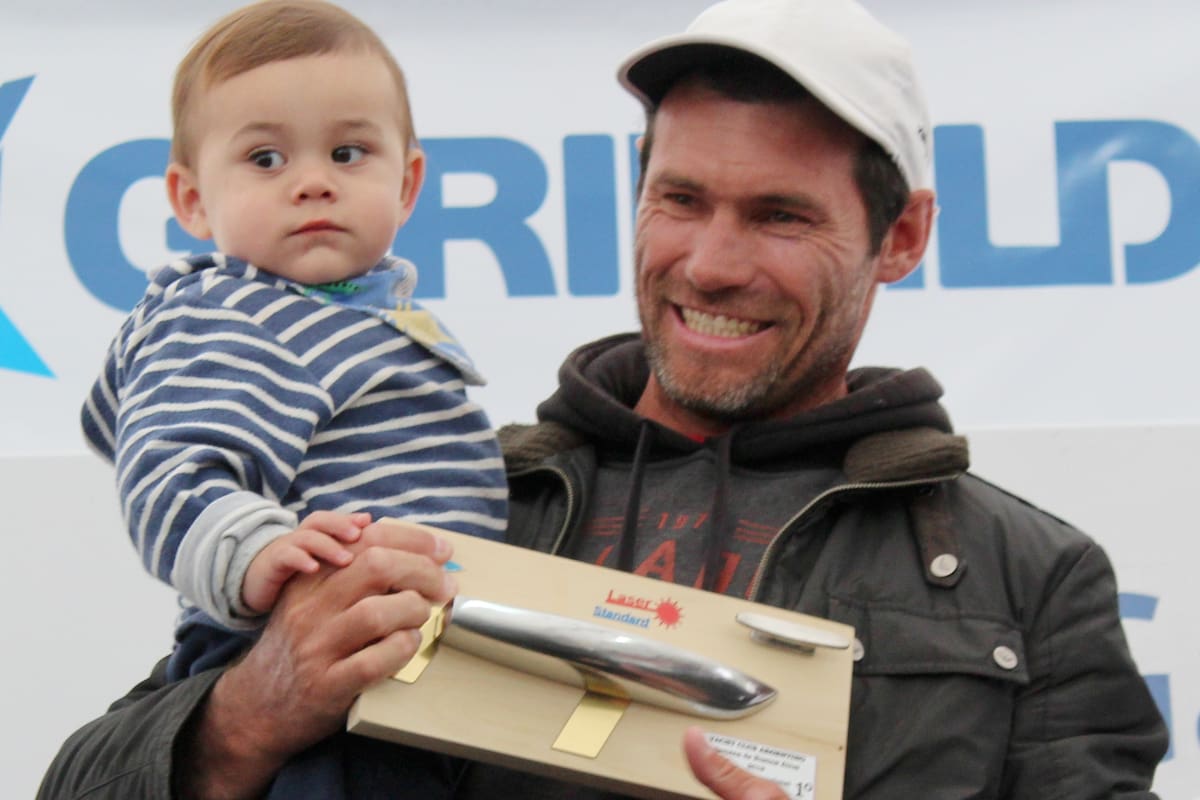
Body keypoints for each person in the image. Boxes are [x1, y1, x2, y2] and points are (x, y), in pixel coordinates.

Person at [41, 0, 1168, 798]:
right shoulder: (453, 496)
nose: (712, 263)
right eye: (679, 197)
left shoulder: (1028, 578)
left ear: (902, 235)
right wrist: (250, 714)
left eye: (779, 215)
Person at [78, 0, 508, 681]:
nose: (313, 183)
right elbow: (166, 471)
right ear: (191, 201)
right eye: (266, 158)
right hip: (289, 654)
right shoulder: (228, 313)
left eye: (347, 153)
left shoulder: (367, 316)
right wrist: (255, 553)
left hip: (422, 646)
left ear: (407, 183)